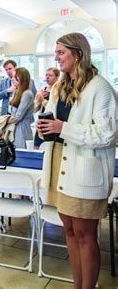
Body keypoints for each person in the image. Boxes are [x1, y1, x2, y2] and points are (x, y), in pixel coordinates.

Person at [37, 32, 116, 288]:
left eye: (61, 52)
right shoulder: (60, 86)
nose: (56, 58)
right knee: (68, 230)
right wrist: (44, 127)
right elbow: (55, 123)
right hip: (59, 163)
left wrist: (63, 128)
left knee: (85, 235)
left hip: (84, 168)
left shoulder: (100, 87)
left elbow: (108, 134)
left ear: (78, 53)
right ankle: (77, 285)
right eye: (56, 52)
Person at [7, 67, 34, 149]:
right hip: (16, 128)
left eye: (15, 77)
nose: (12, 79)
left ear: (22, 78)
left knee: (21, 154)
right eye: (12, 77)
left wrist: (5, 120)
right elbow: (11, 112)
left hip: (22, 129)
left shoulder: (27, 94)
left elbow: (17, 117)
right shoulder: (16, 92)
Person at [33, 67, 59, 149]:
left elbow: (54, 110)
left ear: (57, 77)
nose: (47, 77)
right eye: (46, 75)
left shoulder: (58, 91)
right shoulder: (42, 90)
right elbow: (34, 110)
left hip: (52, 126)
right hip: (41, 125)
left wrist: (43, 100)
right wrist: (37, 100)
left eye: (50, 75)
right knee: (37, 149)